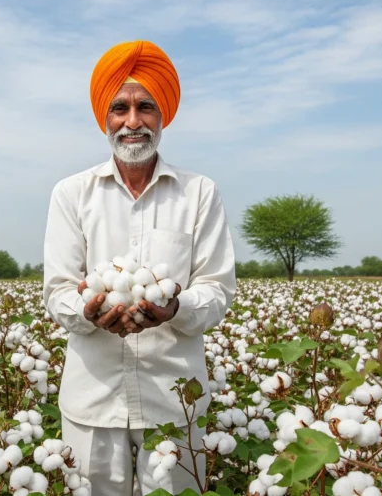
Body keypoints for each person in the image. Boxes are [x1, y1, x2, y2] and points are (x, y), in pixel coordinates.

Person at [42, 40, 237, 496]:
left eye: (145, 106)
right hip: (92, 402)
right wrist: (88, 312)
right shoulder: (71, 194)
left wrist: (175, 308)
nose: (133, 121)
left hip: (175, 402)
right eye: (120, 108)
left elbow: (217, 290)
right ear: (104, 118)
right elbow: (58, 292)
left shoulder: (199, 193)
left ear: (162, 115)